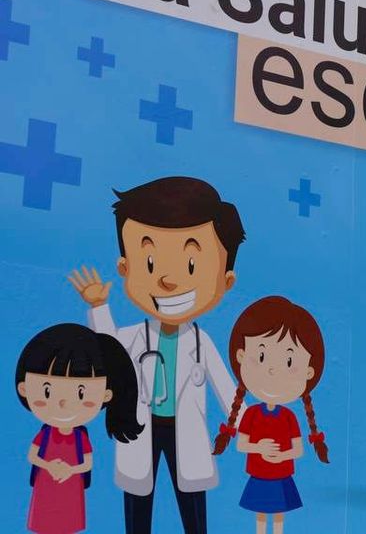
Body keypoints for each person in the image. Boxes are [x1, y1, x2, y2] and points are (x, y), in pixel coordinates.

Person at [66, 176, 245, 534]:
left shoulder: (200, 342)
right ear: (125, 268)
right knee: (138, 504)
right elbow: (110, 355)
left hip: (185, 430)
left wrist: (250, 428)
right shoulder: (134, 336)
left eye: (192, 266)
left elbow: (229, 391)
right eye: (149, 261)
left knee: (191, 505)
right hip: (141, 427)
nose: (167, 280)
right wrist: (99, 306)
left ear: (225, 281)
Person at [212, 296, 329, 534]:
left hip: (281, 474)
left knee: (277, 518)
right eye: (262, 356)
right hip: (260, 474)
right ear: (242, 355)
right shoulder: (252, 414)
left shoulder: (289, 417)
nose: (273, 370)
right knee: (260, 516)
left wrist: (283, 454)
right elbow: (241, 444)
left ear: (308, 372)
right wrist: (260, 448)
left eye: (288, 361)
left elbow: (298, 449)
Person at [15, 323, 144, 534]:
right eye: (47, 391)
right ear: (24, 389)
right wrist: (48, 466)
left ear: (105, 395)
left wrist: (69, 470)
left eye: (81, 393)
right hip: (46, 483)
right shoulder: (45, 434)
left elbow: (87, 463)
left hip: (70, 485)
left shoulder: (80, 437)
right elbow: (32, 456)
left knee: (68, 524)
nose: (63, 403)